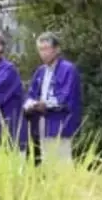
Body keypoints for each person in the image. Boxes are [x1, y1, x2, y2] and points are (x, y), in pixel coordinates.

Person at [23, 32, 82, 163]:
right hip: (42, 124)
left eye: (46, 49)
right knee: (46, 162)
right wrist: (30, 105)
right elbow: (31, 94)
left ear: (57, 49)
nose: (43, 53)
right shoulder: (40, 71)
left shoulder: (68, 69)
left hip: (60, 124)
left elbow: (66, 98)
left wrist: (45, 105)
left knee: (62, 163)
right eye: (40, 49)